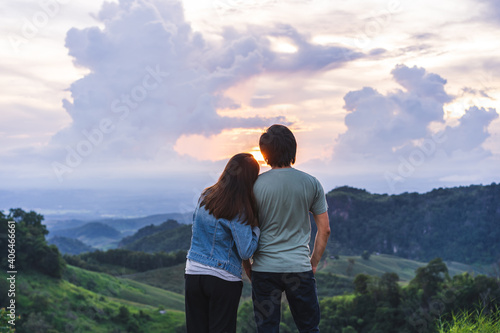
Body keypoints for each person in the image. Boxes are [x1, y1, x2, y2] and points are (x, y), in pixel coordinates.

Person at [245, 124, 331, 333]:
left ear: (265, 154)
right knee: (309, 328)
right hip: (298, 268)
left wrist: (249, 267)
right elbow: (325, 229)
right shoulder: (311, 183)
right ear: (293, 149)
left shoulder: (254, 185)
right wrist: (312, 263)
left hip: (264, 269)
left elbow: (245, 230)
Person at [185, 153, 261, 333]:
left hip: (193, 272)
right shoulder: (239, 208)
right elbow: (245, 251)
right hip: (223, 278)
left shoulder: (206, 195)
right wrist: (256, 228)